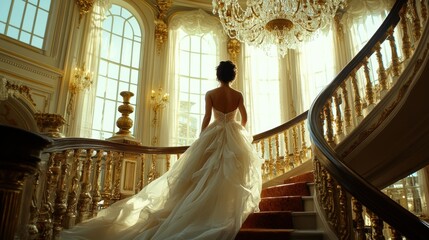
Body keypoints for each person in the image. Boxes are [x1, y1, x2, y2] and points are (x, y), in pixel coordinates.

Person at [60, 60, 263, 240]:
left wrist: (203, 137)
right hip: (233, 133)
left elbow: (207, 117)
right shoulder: (238, 95)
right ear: (232, 76)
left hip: (215, 133)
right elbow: (244, 117)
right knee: (230, 175)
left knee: (206, 176)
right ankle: (225, 212)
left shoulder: (211, 94)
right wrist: (238, 128)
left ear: (218, 76)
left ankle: (206, 213)